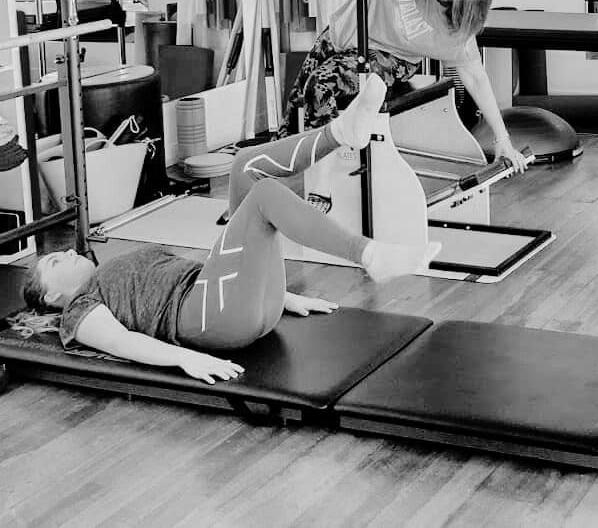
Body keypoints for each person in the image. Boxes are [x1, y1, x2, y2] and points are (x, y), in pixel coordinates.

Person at [22, 75, 442, 384]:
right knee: (264, 197)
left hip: (233, 301)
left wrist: (284, 298)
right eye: (55, 262)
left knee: (245, 166)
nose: (69, 252)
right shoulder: (79, 310)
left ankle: (340, 133)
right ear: (52, 296)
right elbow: (122, 344)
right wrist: (184, 360)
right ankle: (370, 254)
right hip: (213, 318)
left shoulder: (110, 273)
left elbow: (201, 271)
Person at [282, 0, 529, 172]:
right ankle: (277, 174)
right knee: (295, 109)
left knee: (319, 86)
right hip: (341, 34)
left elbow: (476, 78)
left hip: (390, 58)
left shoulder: (454, 30)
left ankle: (330, 169)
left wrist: (502, 140)